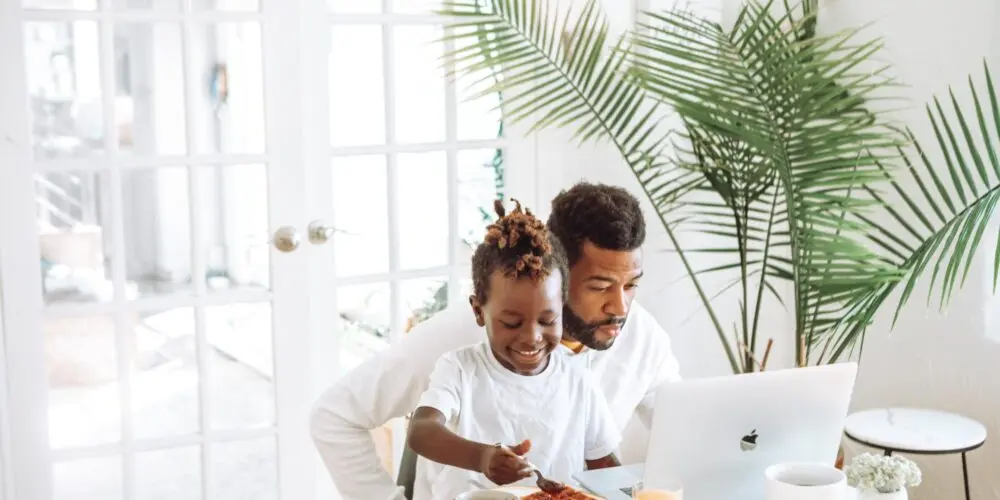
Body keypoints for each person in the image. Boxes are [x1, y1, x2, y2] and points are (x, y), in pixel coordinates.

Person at [310, 182, 682, 500]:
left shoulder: (640, 337)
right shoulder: (459, 342)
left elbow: (679, 434)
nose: (621, 306)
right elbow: (335, 416)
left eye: (631, 285)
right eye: (600, 286)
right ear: (559, 273)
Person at [407, 199, 621, 500]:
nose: (532, 337)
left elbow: (604, 465)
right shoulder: (460, 369)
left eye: (548, 320)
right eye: (511, 322)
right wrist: (482, 458)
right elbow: (421, 431)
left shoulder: (577, 378)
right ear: (479, 311)